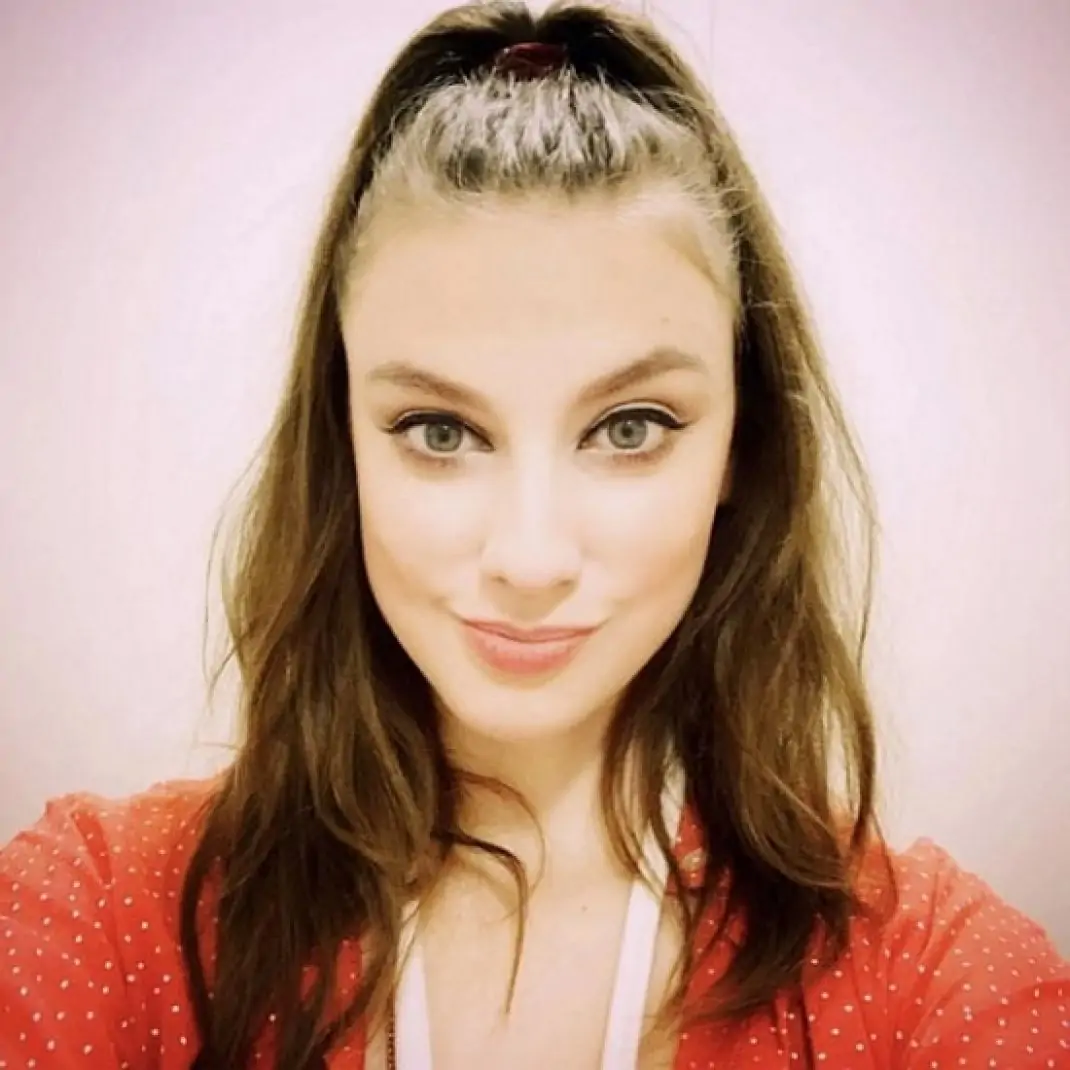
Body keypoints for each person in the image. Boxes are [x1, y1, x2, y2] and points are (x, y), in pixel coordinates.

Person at [2, 2, 1067, 1067]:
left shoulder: (927, 974)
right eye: (439, 430)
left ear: (741, 445)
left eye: (629, 427)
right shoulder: (102, 913)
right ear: (344, 441)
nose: (529, 558)